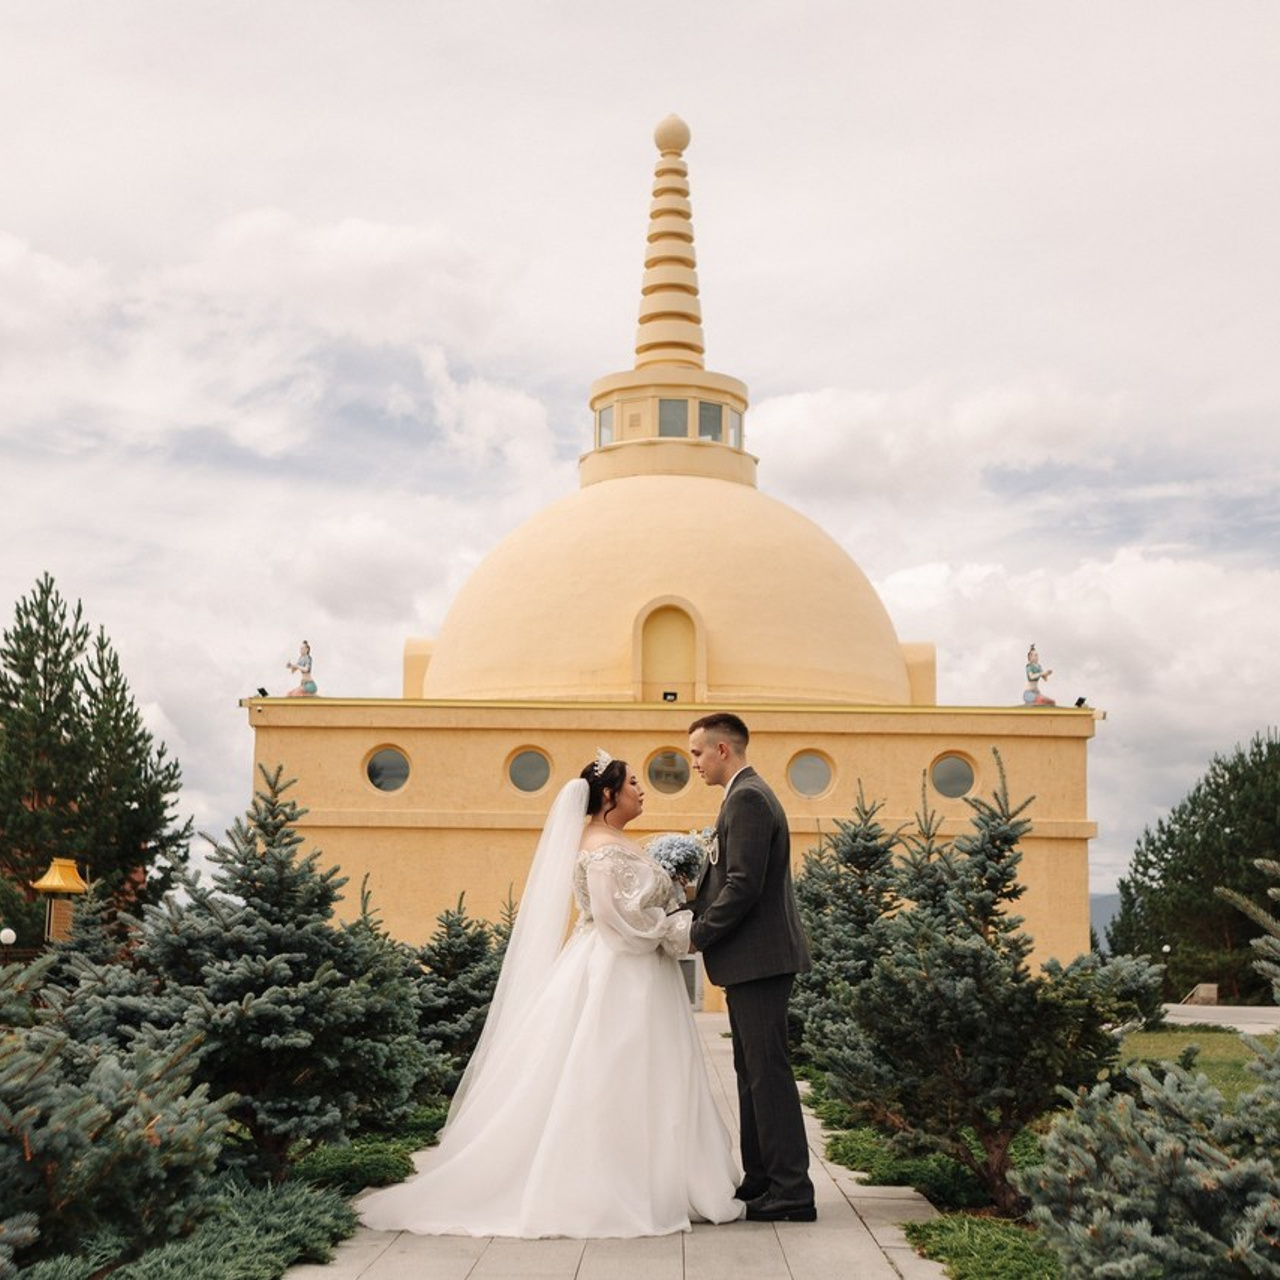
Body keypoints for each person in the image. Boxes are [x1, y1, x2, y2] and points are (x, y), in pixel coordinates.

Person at [359, 752, 743, 1238]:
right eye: (633, 784)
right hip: (619, 969)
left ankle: (667, 1176)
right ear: (609, 795)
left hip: (639, 968)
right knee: (612, 1068)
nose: (641, 791)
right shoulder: (601, 848)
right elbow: (619, 919)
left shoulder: (616, 840)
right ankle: (610, 1184)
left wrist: (676, 895)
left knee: (652, 1070)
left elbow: (638, 906)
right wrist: (680, 929)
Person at [687, 712, 816, 1223]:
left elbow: (743, 884)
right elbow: (728, 881)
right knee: (751, 1074)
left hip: (760, 960)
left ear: (723, 750)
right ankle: (762, 1179)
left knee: (768, 1075)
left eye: (697, 752)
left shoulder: (748, 798)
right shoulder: (742, 796)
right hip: (750, 962)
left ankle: (792, 1192)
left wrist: (698, 933)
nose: (692, 762)